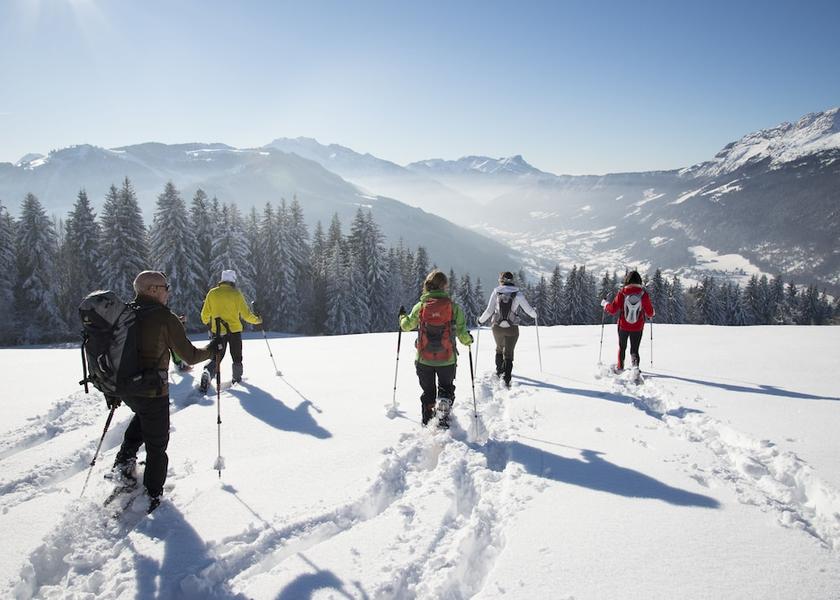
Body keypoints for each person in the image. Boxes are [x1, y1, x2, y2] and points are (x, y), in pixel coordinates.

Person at [112, 270, 214, 513]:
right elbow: (189, 355)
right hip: (152, 389)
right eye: (165, 286)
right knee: (157, 446)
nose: (169, 291)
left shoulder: (125, 313)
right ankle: (151, 496)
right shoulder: (164, 317)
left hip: (126, 388)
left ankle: (123, 469)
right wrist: (213, 349)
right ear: (152, 290)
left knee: (141, 417)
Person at [399, 269, 473, 428]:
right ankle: (443, 412)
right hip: (447, 359)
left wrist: (402, 317)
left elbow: (406, 326)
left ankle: (427, 422)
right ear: (444, 287)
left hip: (423, 359)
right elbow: (462, 333)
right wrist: (468, 340)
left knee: (428, 393)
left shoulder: (421, 306)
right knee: (446, 388)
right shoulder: (454, 307)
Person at [199, 269, 262, 392]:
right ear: (233, 280)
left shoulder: (212, 293)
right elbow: (246, 314)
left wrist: (208, 322)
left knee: (217, 356)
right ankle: (236, 379)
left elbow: (204, 315)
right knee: (236, 356)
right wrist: (257, 320)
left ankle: (208, 372)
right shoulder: (236, 294)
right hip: (234, 331)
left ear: (222, 280)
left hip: (217, 332)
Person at [477, 271, 538, 387]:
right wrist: (535, 315)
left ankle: (499, 371)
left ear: (501, 280)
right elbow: (528, 310)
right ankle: (507, 377)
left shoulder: (496, 292)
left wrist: (480, 320)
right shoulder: (518, 294)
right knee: (509, 353)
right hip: (512, 328)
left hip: (497, 327)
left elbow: (489, 311)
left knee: (499, 348)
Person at [602, 270, 654, 373]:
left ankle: (620, 367)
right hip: (638, 326)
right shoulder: (643, 294)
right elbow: (650, 313)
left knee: (622, 347)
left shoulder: (622, 293)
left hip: (623, 326)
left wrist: (605, 304)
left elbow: (613, 310)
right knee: (634, 349)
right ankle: (635, 368)